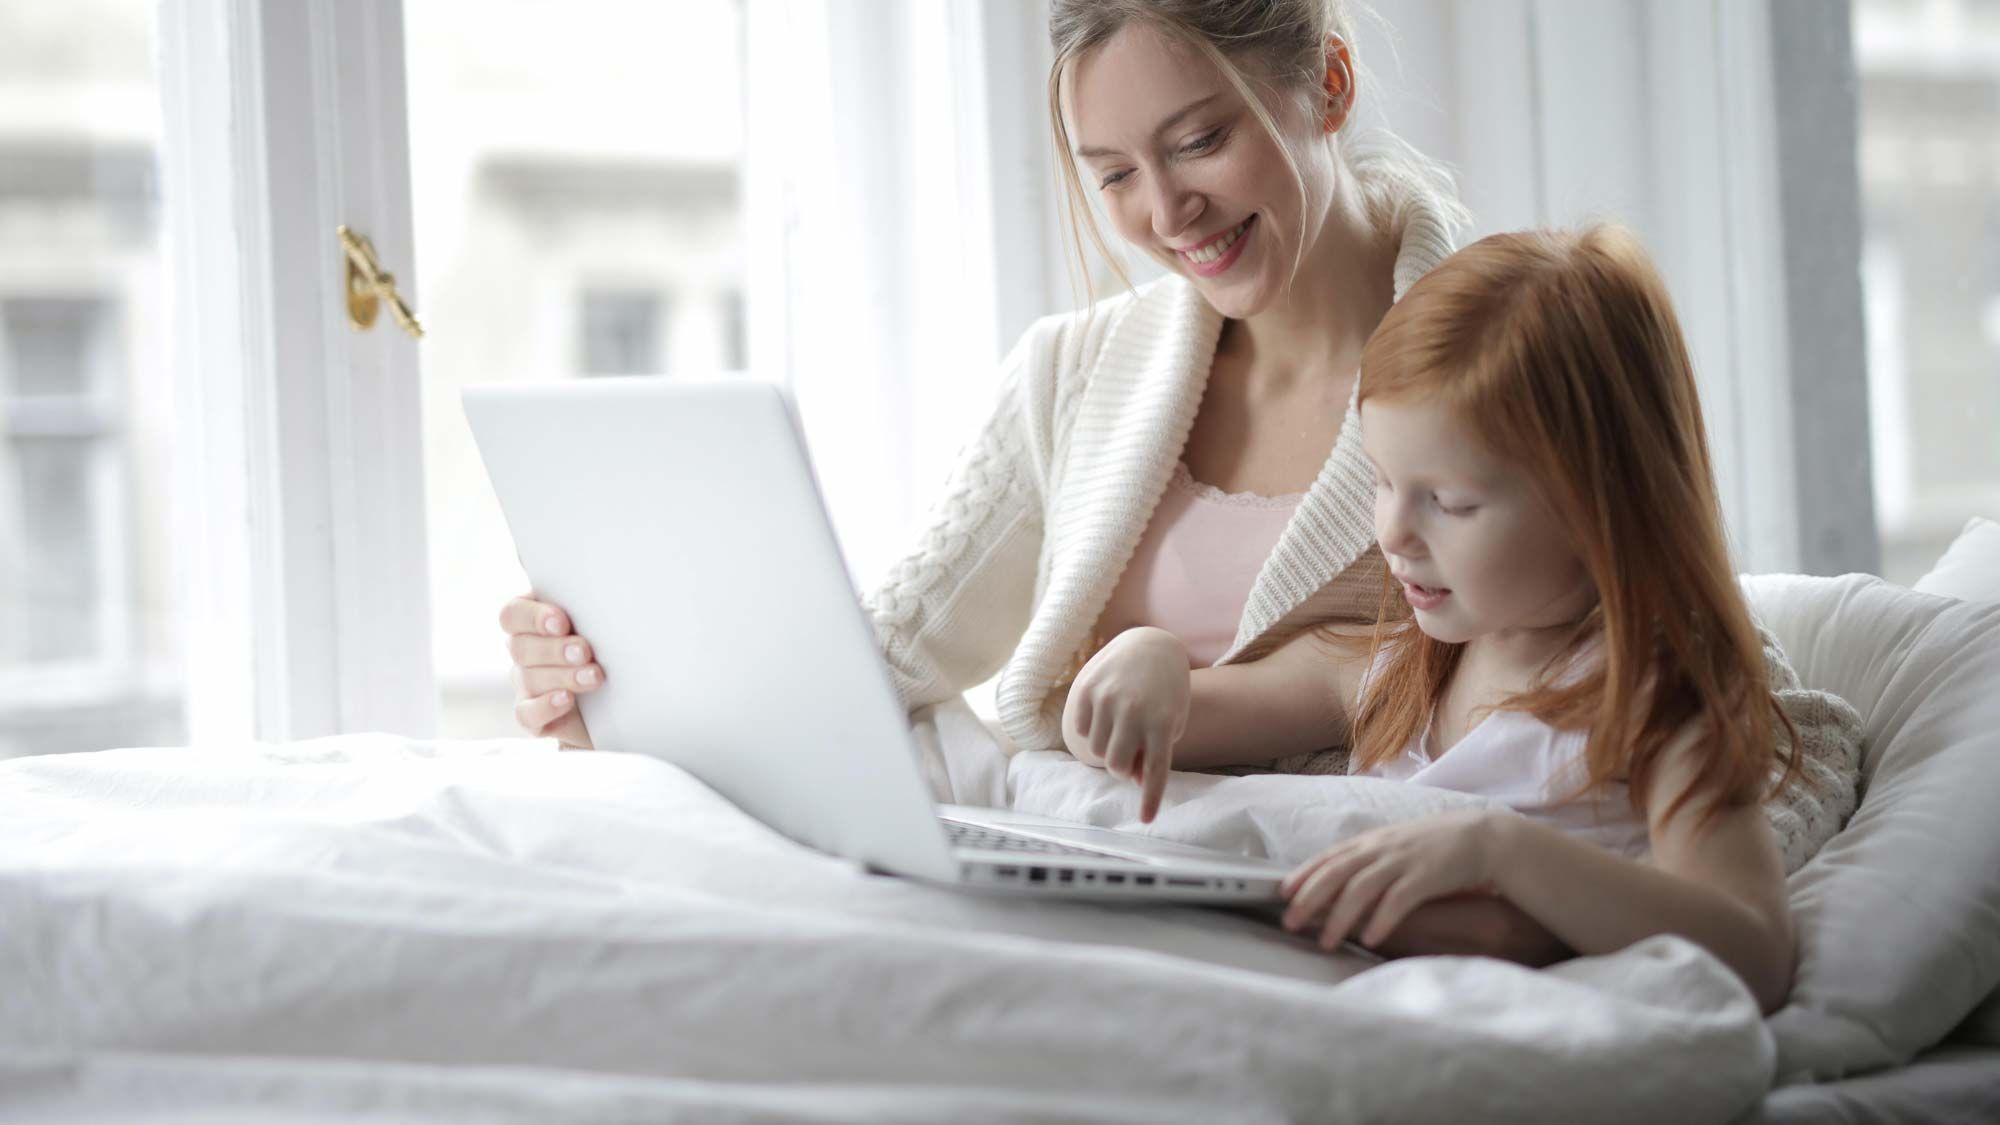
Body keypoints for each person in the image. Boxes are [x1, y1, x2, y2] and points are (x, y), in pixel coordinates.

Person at [501, 0, 1561, 960]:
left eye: (1200, 140)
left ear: (1327, 85)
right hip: (1090, 860)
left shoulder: (1514, 352)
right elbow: (885, 658)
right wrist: (628, 690)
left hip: (1336, 883)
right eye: (1112, 173)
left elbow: (1570, 662)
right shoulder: (1073, 373)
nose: (1165, 211)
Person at [1067, 226, 1802, 1011]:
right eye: (1382, 481)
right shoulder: (1390, 665)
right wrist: (1146, 660)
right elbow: (1132, 739)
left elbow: (1753, 949)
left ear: (1600, 505)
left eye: (1448, 502)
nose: (1391, 533)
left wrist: (1502, 851)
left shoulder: (1653, 700)